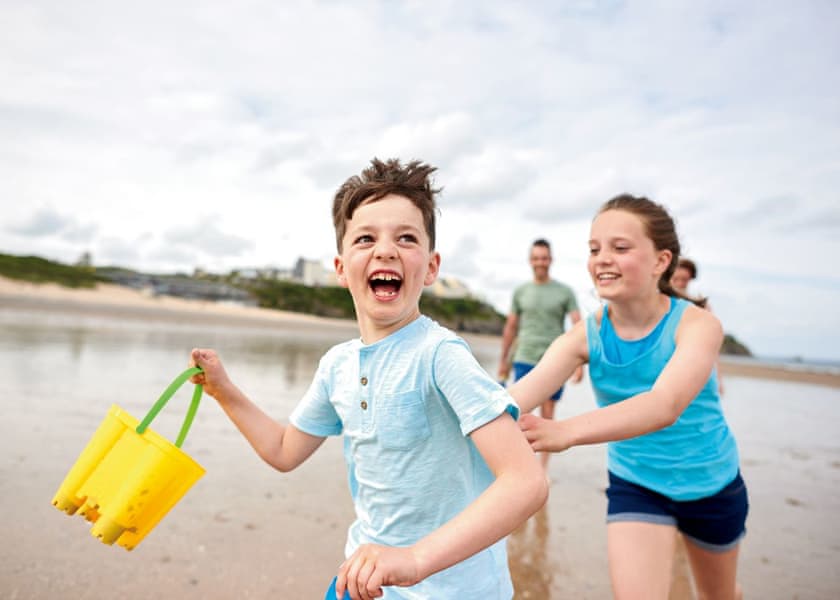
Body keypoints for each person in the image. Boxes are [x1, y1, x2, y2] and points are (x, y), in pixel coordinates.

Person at [189, 158, 548, 600]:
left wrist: (415, 559)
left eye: (406, 237)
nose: (385, 250)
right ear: (341, 268)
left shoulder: (441, 355)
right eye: (365, 238)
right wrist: (223, 390)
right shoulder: (337, 366)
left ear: (431, 267)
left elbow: (525, 481)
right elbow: (283, 451)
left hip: (452, 590)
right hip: (364, 580)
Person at [510, 194, 748, 600]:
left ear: (660, 261)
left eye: (619, 248)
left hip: (712, 485)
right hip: (637, 483)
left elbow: (664, 405)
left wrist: (565, 431)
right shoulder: (587, 334)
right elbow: (515, 398)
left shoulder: (698, 325)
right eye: (594, 249)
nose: (602, 258)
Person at [497, 238, 582, 470]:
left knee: (547, 415)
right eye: (536, 258)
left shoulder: (565, 292)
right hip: (524, 356)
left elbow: (577, 325)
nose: (540, 262)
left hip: (556, 360)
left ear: (551, 260)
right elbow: (511, 327)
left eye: (544, 258)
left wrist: (579, 364)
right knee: (520, 413)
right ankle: (524, 465)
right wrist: (503, 362)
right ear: (530, 261)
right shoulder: (521, 291)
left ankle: (542, 468)